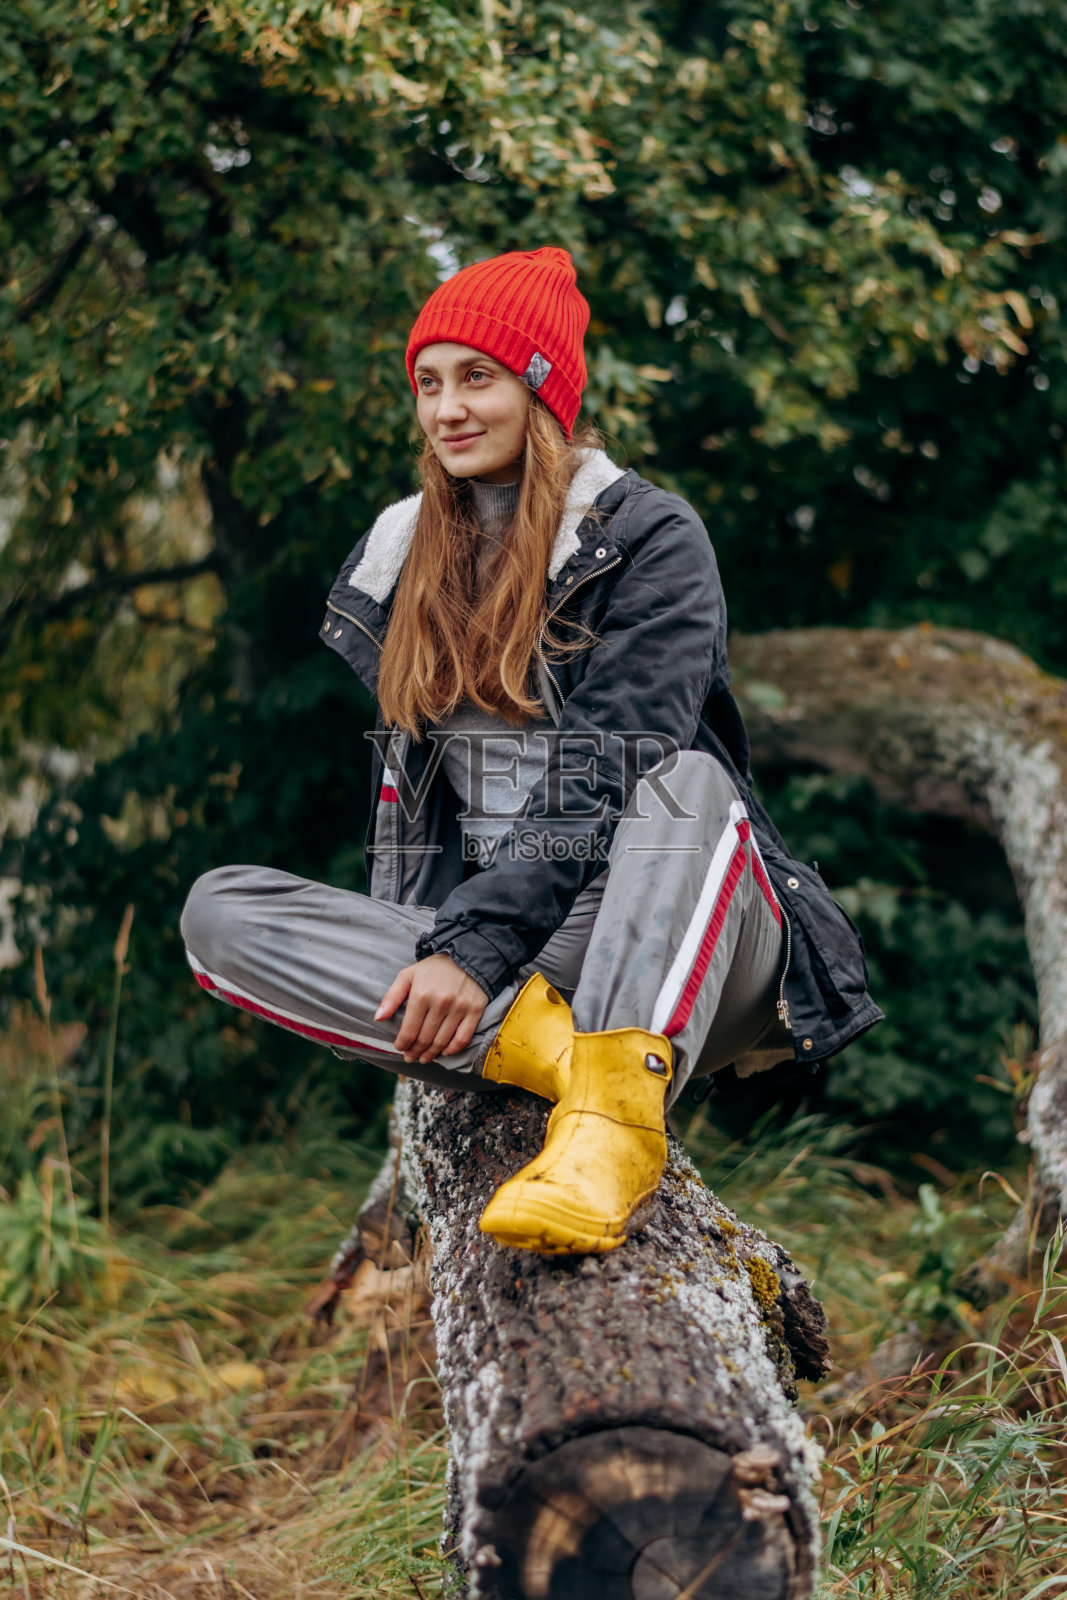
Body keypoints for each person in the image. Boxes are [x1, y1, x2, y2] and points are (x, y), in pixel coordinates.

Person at [181, 246, 882, 1257]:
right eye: (428, 383)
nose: (446, 409)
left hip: (676, 923)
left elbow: (610, 763)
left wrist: (472, 950)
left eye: (477, 377)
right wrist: (450, 948)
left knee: (685, 780)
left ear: (541, 389)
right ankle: (567, 1062)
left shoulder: (647, 535)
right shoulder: (397, 561)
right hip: (516, 961)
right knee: (218, 912)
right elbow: (416, 828)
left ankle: (611, 1131)